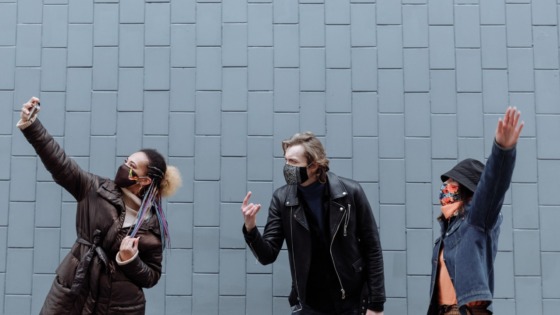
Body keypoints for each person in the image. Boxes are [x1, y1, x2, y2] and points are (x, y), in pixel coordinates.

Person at [17, 97, 182, 315]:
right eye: (126, 161)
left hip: (119, 307)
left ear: (144, 181)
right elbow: (60, 163)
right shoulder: (95, 188)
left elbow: (152, 276)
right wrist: (32, 126)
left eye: (131, 166)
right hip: (73, 292)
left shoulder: (152, 225)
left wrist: (129, 260)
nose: (124, 167)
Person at [241, 132, 385, 315]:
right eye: (286, 161)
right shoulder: (282, 199)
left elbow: (372, 248)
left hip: (351, 301)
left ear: (314, 165)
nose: (287, 167)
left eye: (293, 162)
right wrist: (250, 228)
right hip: (309, 304)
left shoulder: (350, 193)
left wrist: (376, 304)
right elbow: (267, 255)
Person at [427, 107, 524, 315]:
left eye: (453, 184)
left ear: (469, 192)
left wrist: (503, 150)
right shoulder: (446, 233)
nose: (445, 189)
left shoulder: (475, 220)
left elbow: (492, 186)